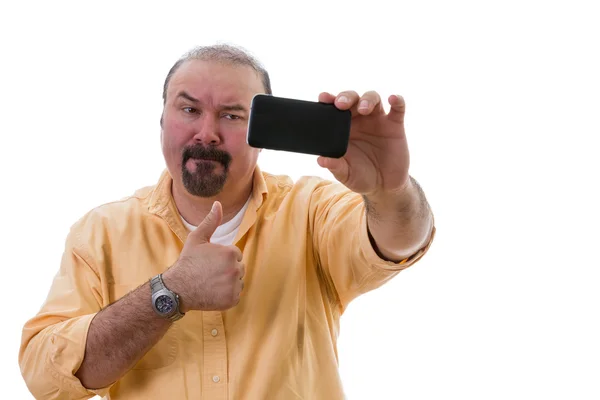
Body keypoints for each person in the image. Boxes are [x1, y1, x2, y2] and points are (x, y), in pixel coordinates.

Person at [19, 44, 436, 400]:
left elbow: (397, 241)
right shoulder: (102, 233)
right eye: (188, 109)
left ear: (264, 132)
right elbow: (47, 378)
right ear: (162, 120)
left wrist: (390, 191)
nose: (207, 133)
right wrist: (170, 292)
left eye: (232, 115)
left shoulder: (310, 209)